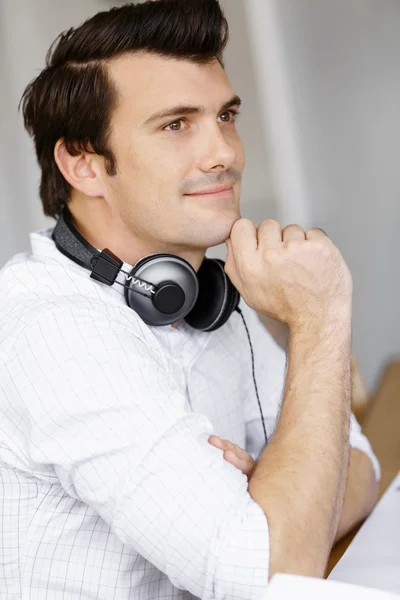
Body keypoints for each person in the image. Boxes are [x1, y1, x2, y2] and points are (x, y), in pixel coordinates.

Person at [0, 1, 379, 598]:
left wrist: (276, 500)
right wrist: (318, 318)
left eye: (226, 116)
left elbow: (361, 465)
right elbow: (269, 577)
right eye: (176, 125)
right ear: (83, 163)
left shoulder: (209, 293)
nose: (224, 153)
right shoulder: (54, 331)